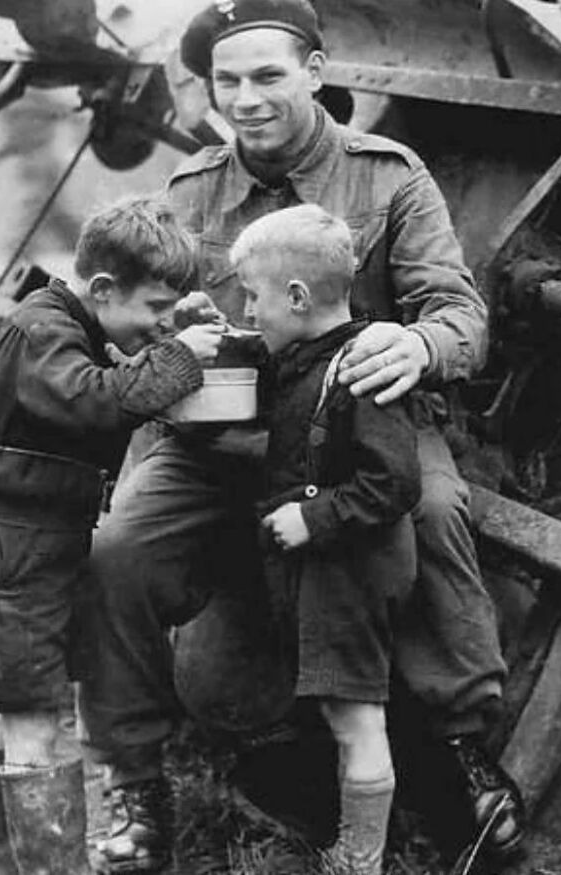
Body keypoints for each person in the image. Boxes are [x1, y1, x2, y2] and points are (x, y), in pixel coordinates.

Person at [82, 0, 524, 870]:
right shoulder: (190, 190)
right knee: (118, 548)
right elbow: (138, 316)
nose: (245, 99)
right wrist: (176, 328)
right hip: (222, 436)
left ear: (316, 73)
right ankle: (138, 781)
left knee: (433, 509)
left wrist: (418, 341)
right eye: (226, 82)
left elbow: (459, 312)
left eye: (268, 76)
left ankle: (463, 744)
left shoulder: (389, 178)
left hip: (360, 421)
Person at [0, 196, 225, 875]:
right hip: (8, 555)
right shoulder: (45, 333)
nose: (159, 323)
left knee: (10, 714)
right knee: (36, 724)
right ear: (100, 289)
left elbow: (105, 375)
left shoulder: (67, 327)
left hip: (12, 549)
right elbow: (97, 399)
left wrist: (168, 332)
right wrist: (180, 356)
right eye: (154, 306)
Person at [235, 204, 420, 875]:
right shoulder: (307, 353)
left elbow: (395, 482)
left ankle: (358, 860)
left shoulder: (360, 368)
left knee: (356, 717)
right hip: (331, 569)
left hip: (351, 567)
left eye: (251, 296)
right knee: (343, 712)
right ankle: (352, 846)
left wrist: (314, 518)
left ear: (295, 296)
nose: (247, 311)